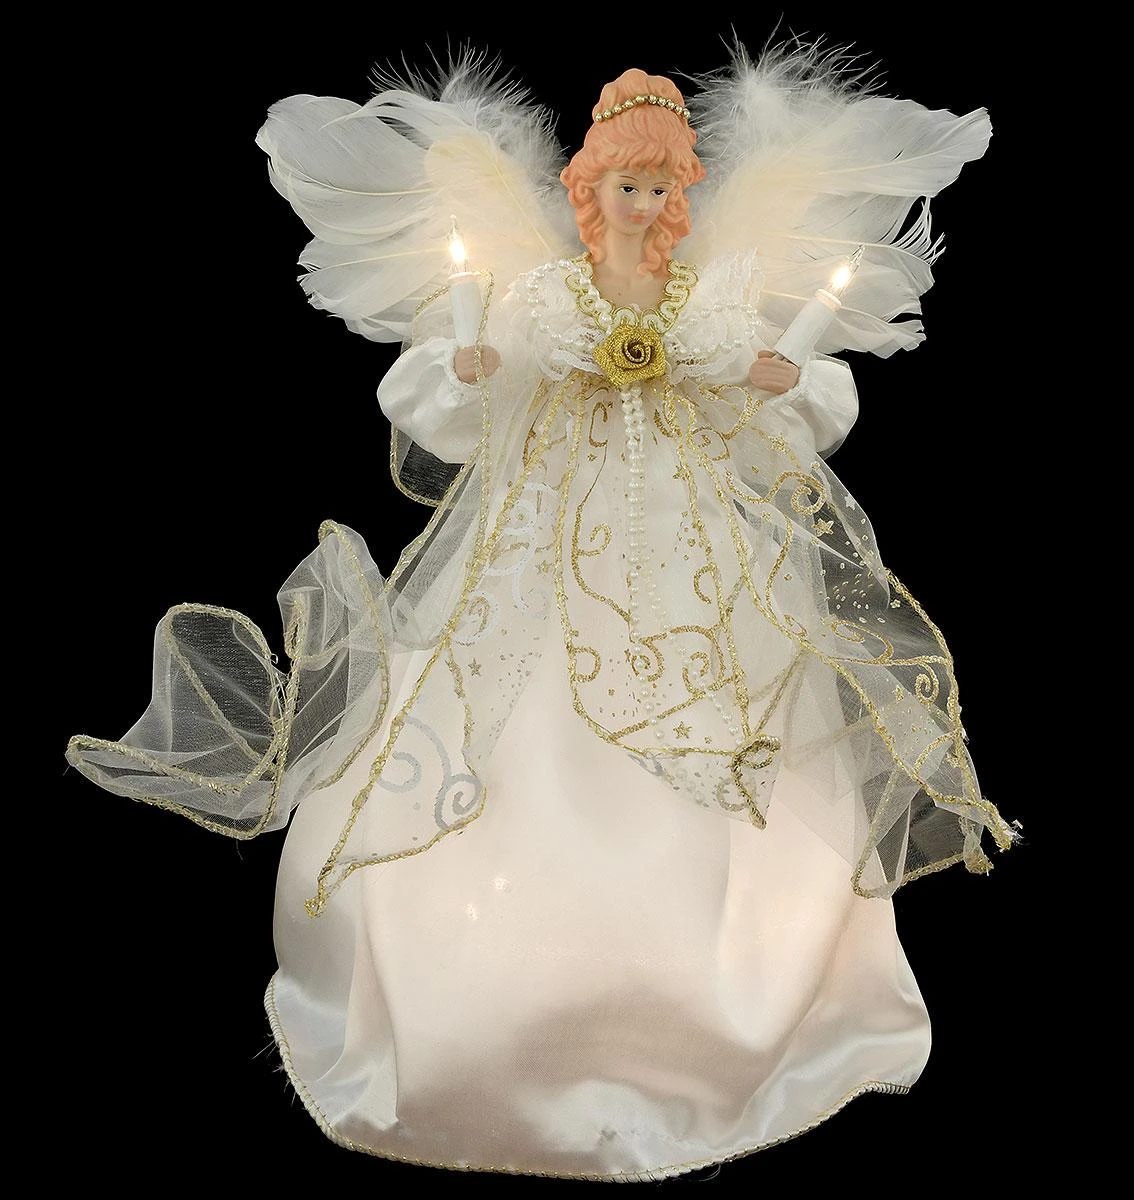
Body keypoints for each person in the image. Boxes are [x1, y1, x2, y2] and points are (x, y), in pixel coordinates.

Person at [67, 50, 1015, 1180]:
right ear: (590, 189)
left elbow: (781, 412)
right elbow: (452, 409)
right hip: (549, 527)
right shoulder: (546, 297)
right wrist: (472, 369)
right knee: (505, 719)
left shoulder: (708, 297)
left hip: (688, 542)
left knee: (730, 720)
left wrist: (779, 378)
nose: (646, 205)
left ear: (681, 195)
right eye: (628, 185)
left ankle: (725, 984)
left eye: (662, 187)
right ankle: (498, 977)